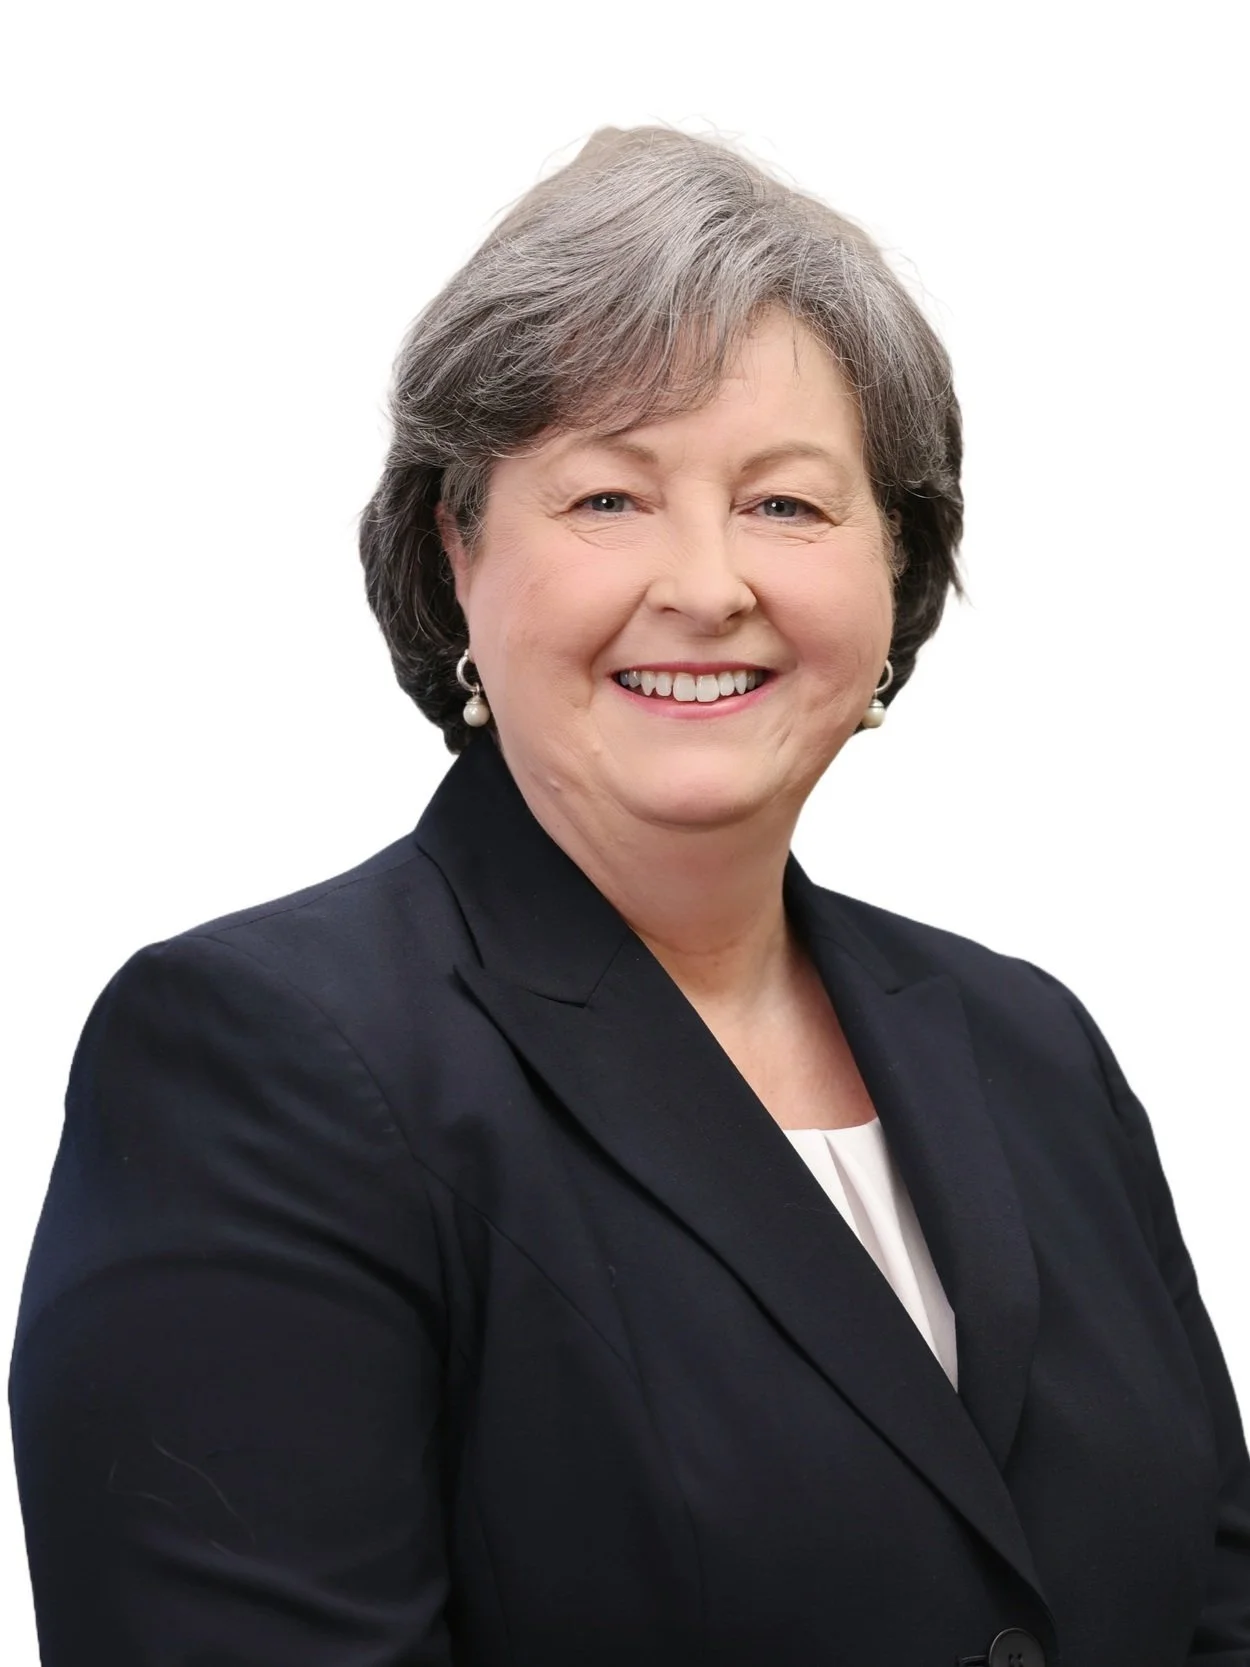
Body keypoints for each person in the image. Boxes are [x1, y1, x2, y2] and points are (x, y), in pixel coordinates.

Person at [9, 124, 1249, 1667]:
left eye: (786, 504)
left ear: (895, 564)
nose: (707, 583)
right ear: (456, 550)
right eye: (607, 498)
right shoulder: (259, 1060)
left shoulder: (1032, 1049)